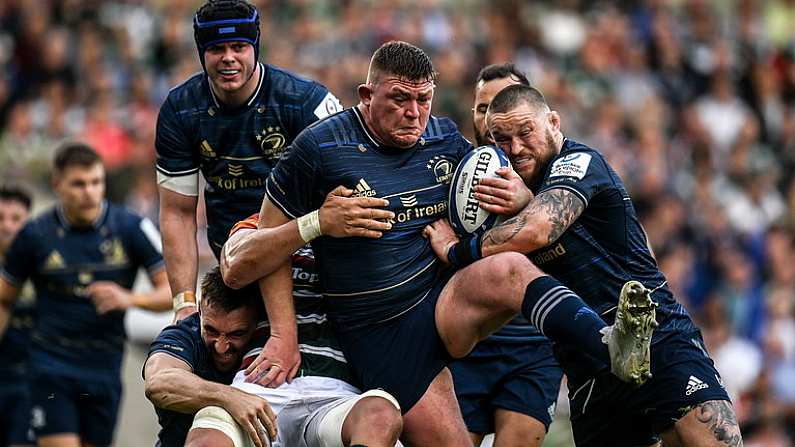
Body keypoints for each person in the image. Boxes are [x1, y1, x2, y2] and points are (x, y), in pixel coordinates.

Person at [248, 41, 654, 446]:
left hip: (443, 302)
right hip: (383, 334)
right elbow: (268, 244)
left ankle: (607, 343)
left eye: (424, 99)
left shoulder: (445, 140)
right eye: (400, 99)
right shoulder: (318, 148)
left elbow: (511, 201)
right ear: (367, 96)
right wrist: (284, 334)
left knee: (508, 269)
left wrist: (518, 197)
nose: (414, 113)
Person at [425, 84, 743, 446]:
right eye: (502, 140)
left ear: (554, 122)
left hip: (654, 338)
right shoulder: (497, 203)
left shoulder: (578, 162)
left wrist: (456, 250)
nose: (515, 149)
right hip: (587, 367)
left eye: (525, 132)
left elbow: (539, 229)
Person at [155, 0, 343, 321]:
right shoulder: (181, 109)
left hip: (306, 260)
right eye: (217, 49)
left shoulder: (306, 102)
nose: (228, 58)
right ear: (202, 53)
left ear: (256, 47)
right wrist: (184, 302)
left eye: (239, 46)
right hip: (233, 265)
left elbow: (342, 190)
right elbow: (177, 212)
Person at [150, 220, 402, 447]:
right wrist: (230, 398)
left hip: (332, 398)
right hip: (256, 397)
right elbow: (159, 382)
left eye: (236, 334)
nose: (221, 346)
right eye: (212, 331)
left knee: (380, 415)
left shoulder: (361, 246)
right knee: (209, 437)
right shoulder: (192, 328)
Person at [0, 142, 171, 447]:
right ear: (57, 185)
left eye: (96, 182)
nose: (89, 192)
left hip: (104, 365)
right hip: (51, 365)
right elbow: (4, 298)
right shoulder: (35, 235)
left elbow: (172, 292)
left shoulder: (131, 227)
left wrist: (129, 299)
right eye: (78, 184)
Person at [450, 63, 563, 447]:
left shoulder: (557, 173)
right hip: (468, 341)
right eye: (483, 108)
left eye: (501, 105)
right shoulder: (450, 173)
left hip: (533, 345)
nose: (489, 119)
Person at [0, 187, 35, 447]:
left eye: (15, 219)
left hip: (31, 381)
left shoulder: (43, 268)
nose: (7, 226)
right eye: (0, 218)